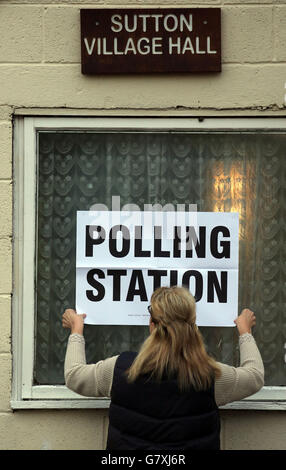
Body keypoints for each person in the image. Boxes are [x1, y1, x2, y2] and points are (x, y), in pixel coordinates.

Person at [62, 286, 264, 450]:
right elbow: (254, 376)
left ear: (152, 323)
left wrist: (76, 330)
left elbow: (74, 375)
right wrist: (244, 331)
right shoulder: (209, 375)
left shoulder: (120, 369)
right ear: (193, 324)